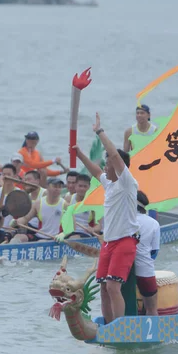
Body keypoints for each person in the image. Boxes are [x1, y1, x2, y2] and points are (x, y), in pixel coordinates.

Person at [72, 112, 139, 324]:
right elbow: (94, 171)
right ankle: (109, 325)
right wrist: (79, 153)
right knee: (102, 286)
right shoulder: (109, 184)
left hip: (125, 242)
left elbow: (116, 156)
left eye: (108, 163)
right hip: (108, 243)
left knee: (113, 285)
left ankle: (120, 326)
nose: (105, 165)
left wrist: (100, 132)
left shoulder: (127, 182)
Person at [10, 178, 66, 243]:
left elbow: (71, 225)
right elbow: (25, 218)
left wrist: (64, 234)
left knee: (41, 242)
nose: (57, 189)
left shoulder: (65, 205)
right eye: (55, 186)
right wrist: (16, 222)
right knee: (18, 237)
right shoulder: (38, 203)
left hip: (55, 238)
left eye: (59, 187)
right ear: (47, 187)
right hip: (39, 235)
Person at [134, 191, 160, 315]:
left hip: (123, 269)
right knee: (152, 308)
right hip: (145, 269)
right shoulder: (154, 223)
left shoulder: (123, 221)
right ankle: (153, 333)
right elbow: (154, 252)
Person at [63, 174, 96, 239]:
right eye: (80, 186)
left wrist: (93, 229)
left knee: (75, 237)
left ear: (89, 187)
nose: (82, 189)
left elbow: (99, 225)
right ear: (75, 186)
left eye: (85, 186)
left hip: (84, 233)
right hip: (69, 232)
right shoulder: (68, 199)